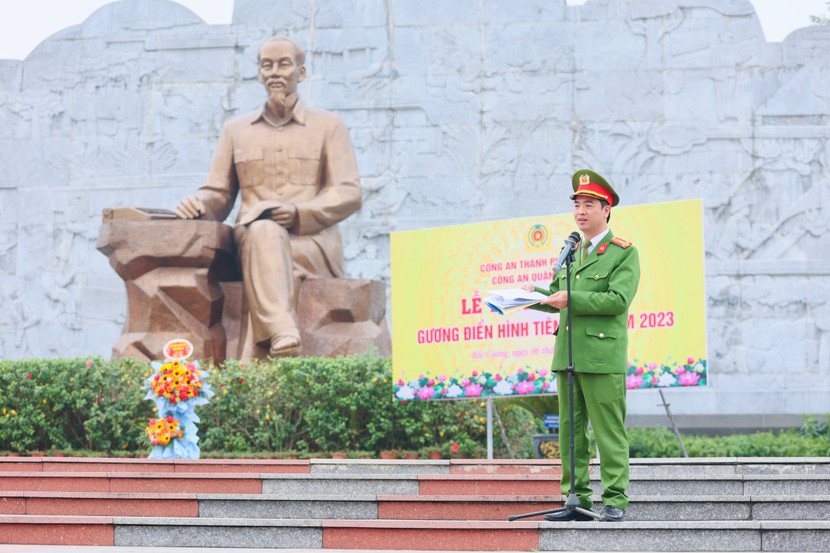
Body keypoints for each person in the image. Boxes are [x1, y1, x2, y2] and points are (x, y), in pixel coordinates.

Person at [176, 36, 362, 357]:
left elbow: (348, 192)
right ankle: (282, 330)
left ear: (300, 73)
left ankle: (263, 350)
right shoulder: (236, 130)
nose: (275, 72)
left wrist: (299, 213)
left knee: (270, 246)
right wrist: (198, 206)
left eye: (284, 64)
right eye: (267, 65)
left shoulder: (329, 126)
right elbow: (218, 194)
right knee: (263, 232)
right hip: (250, 240)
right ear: (260, 74)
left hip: (310, 243)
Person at [523, 169, 640, 522]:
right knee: (571, 434)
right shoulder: (572, 251)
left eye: (589, 204)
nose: (580, 211)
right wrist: (529, 298)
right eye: (577, 205)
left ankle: (616, 498)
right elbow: (560, 297)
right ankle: (575, 498)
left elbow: (617, 299)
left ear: (607, 209)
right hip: (568, 355)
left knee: (608, 432)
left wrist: (568, 297)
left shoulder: (622, 253)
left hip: (602, 356)